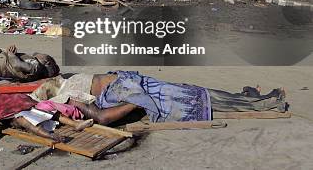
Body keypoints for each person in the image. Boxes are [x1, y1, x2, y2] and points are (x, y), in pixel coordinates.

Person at [39, 71, 288, 126]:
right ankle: (267, 101)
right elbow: (103, 117)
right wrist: (77, 104)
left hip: (158, 89)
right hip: (166, 98)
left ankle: (259, 98)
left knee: (214, 96)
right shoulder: (106, 95)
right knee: (216, 100)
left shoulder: (110, 88)